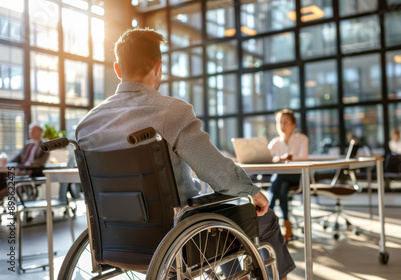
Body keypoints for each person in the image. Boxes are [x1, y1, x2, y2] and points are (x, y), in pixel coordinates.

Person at [75, 28, 294, 280]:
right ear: (158, 68)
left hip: (113, 239)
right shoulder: (172, 112)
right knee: (264, 217)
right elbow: (218, 173)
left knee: (220, 220)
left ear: (117, 69)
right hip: (178, 238)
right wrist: (253, 192)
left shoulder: (86, 126)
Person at [268, 109, 309, 242]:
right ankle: (287, 223)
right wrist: (275, 159)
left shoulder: (302, 139)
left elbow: (304, 158)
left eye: (286, 122)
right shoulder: (276, 141)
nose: (282, 126)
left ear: (293, 124)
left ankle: (267, 217)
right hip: (282, 179)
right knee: (282, 186)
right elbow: (265, 156)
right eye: (279, 122)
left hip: (297, 176)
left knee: (278, 178)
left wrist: (288, 157)